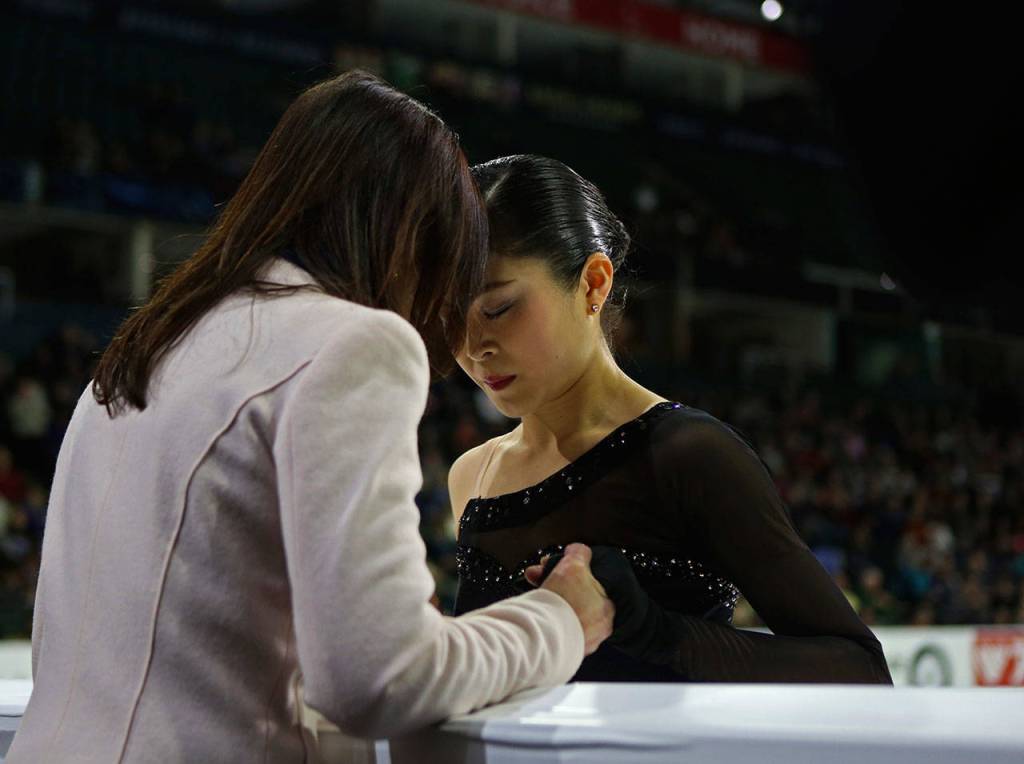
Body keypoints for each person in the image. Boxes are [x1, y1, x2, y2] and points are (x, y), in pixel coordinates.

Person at [7, 76, 613, 764]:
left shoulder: (150, 343)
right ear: (414, 236)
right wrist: (557, 619)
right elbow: (382, 679)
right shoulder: (353, 346)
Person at [447, 154, 892, 684]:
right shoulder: (471, 476)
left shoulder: (689, 456)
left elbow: (860, 669)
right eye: (449, 316)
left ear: (593, 283)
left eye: (497, 309)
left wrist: (655, 632)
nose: (474, 347)